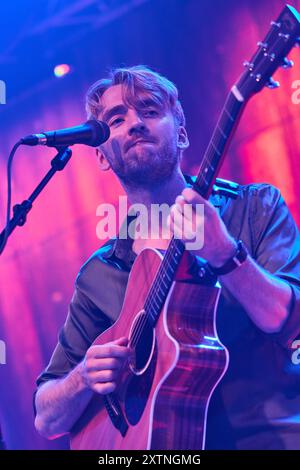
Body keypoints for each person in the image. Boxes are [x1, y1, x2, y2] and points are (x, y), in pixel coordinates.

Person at [34, 65, 300, 449]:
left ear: (181, 134)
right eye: (117, 119)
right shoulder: (98, 274)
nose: (135, 124)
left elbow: (288, 321)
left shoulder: (253, 208)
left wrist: (226, 254)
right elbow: (46, 417)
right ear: (103, 157)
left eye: (150, 110)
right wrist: (83, 377)